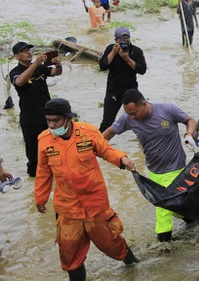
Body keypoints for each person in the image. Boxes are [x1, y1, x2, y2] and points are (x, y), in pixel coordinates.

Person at [34, 98, 139, 281]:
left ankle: (135, 267)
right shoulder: (44, 140)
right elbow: (43, 171)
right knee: (69, 253)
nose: (51, 125)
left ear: (68, 119)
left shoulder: (88, 132)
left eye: (55, 121)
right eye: (48, 120)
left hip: (95, 203)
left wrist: (122, 159)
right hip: (68, 208)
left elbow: (106, 150)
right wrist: (40, 198)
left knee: (111, 243)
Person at [102, 89, 197, 243]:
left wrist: (189, 134)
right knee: (175, 205)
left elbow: (190, 120)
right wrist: (93, 147)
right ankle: (190, 218)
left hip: (176, 168)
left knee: (163, 208)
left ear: (145, 104)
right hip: (154, 171)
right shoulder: (128, 118)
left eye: (134, 113)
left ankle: (164, 247)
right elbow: (110, 132)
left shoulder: (168, 109)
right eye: (129, 114)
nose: (132, 117)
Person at [9, 41, 63, 177]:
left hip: (48, 117)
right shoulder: (15, 72)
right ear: (16, 56)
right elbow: (19, 82)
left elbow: (56, 73)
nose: (28, 52)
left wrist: (58, 64)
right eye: (24, 51)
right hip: (30, 119)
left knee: (54, 151)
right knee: (34, 157)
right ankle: (34, 184)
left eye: (29, 50)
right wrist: (35, 64)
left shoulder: (40, 68)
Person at [98, 27, 147, 132]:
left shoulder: (136, 51)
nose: (124, 41)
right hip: (113, 90)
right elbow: (102, 66)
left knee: (140, 119)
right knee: (107, 122)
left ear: (130, 38)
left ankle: (145, 142)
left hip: (131, 90)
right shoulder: (110, 49)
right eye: (121, 39)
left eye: (127, 38)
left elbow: (142, 70)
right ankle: (98, 145)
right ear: (116, 40)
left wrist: (127, 58)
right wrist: (113, 53)